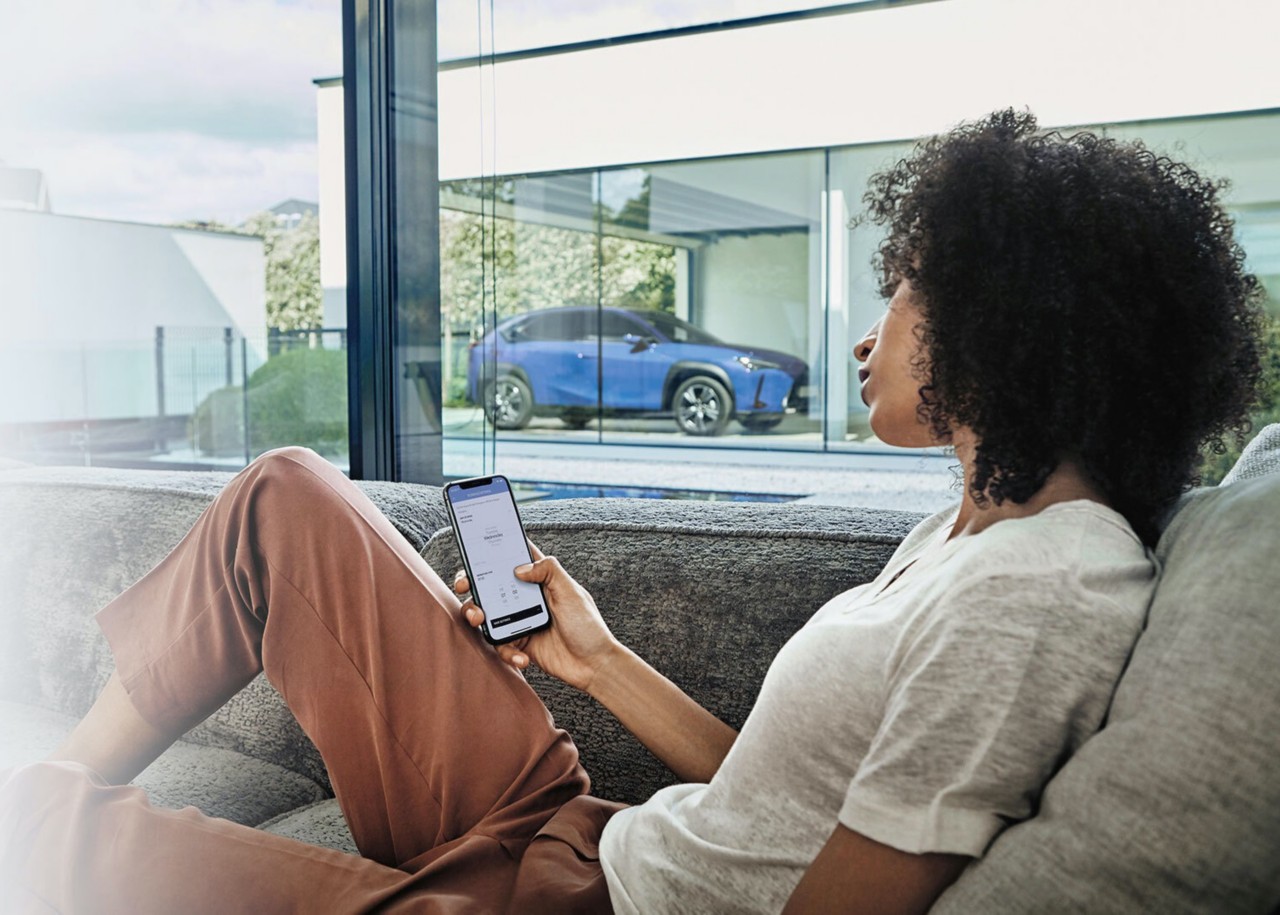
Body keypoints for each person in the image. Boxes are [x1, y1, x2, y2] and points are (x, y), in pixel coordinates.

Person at [0, 109, 1266, 914]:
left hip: (578, 907)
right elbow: (780, 796)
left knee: (42, 842)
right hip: (578, 831)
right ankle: (67, 766)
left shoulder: (1040, 594)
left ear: (1016, 321)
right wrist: (592, 660)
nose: (870, 329)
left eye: (907, 285)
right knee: (287, 490)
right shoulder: (969, 533)